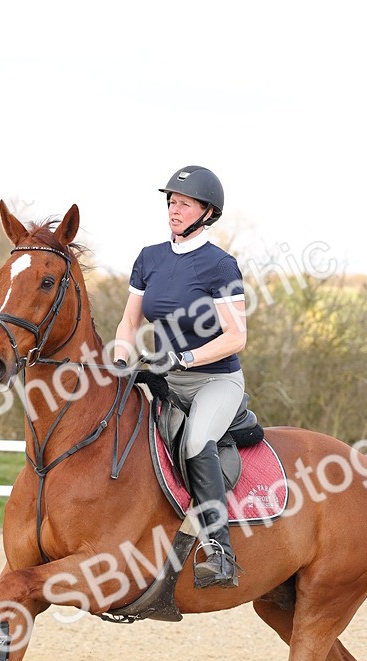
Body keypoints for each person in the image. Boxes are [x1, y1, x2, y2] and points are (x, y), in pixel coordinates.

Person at [113, 165, 247, 588]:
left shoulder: (220, 266)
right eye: (171, 201)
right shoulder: (149, 258)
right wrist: (120, 360)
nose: (174, 208)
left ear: (207, 212)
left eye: (184, 203)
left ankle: (219, 551)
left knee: (194, 442)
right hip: (164, 376)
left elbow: (236, 336)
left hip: (214, 381)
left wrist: (184, 358)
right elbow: (128, 322)